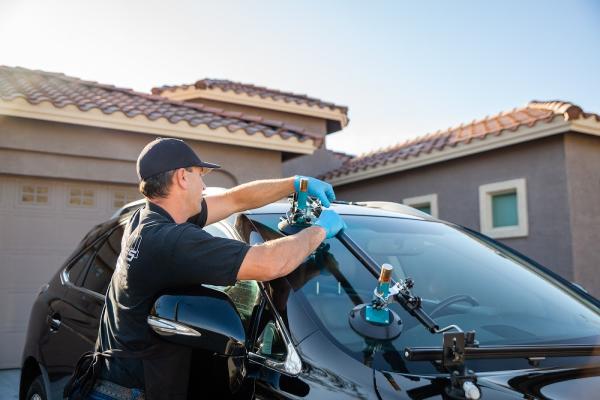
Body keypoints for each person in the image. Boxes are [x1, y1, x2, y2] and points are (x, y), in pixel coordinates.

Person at [86, 138, 345, 400]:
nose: (205, 185)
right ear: (182, 178)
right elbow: (271, 263)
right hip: (130, 393)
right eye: (200, 175)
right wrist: (320, 230)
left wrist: (293, 184)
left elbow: (235, 199)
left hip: (115, 383)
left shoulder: (145, 219)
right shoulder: (170, 240)